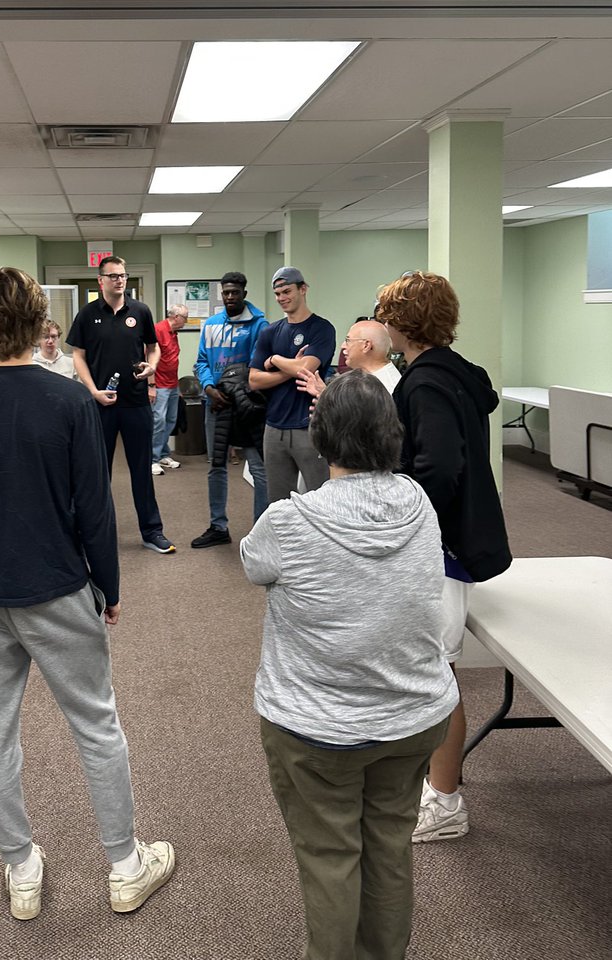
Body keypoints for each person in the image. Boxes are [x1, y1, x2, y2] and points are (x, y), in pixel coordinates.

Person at [0, 267, 175, 921]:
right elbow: (94, 507)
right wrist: (109, 586)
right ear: (41, 327)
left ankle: (21, 868)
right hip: (58, 588)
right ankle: (125, 866)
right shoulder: (67, 400)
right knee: (96, 724)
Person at [241, 370, 457, 960]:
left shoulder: (289, 520)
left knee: (331, 858)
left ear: (320, 436)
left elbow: (251, 565)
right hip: (415, 719)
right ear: (391, 433)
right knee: (388, 848)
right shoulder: (418, 502)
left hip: (317, 729)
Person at [376, 270, 512, 844]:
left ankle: (447, 803)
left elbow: (439, 469)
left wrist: (401, 517)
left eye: (386, 314)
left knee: (437, 678)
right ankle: (437, 780)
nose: (380, 324)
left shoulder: (425, 383)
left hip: (443, 548)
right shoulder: (456, 372)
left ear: (404, 322)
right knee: (431, 674)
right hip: (457, 538)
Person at [66, 257, 175, 554]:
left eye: (123, 275)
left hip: (135, 402)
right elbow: (78, 355)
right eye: (112, 276)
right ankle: (95, 533)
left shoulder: (140, 311)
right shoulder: (88, 315)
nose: (119, 280)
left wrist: (152, 368)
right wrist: (92, 391)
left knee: (142, 469)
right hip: (101, 404)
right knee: (99, 473)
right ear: (101, 280)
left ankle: (152, 531)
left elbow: (153, 349)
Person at [192, 273, 268, 547]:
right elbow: (201, 360)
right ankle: (218, 527)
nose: (230, 297)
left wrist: (236, 391)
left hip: (246, 406)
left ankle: (262, 531)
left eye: (235, 292)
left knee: (258, 468)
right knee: (217, 465)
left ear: (244, 293)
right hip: (216, 404)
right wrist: (209, 388)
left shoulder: (259, 324)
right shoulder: (211, 325)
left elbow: (257, 365)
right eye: (226, 292)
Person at [249, 267, 336, 503]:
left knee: (321, 498)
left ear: (303, 289)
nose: (281, 298)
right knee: (278, 502)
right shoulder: (270, 332)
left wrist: (275, 360)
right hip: (274, 428)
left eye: (287, 291)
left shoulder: (322, 329)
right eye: (277, 294)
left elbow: (305, 369)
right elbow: (254, 380)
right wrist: (291, 368)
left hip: (309, 426)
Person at [150, 303, 188, 476]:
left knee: (171, 420)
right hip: (159, 385)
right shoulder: (158, 330)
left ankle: (164, 454)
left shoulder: (174, 333)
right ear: (176, 317)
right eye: (185, 318)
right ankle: (152, 459)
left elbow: (172, 361)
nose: (186, 321)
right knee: (158, 421)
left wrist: (178, 386)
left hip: (172, 385)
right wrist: (151, 386)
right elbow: (148, 359)